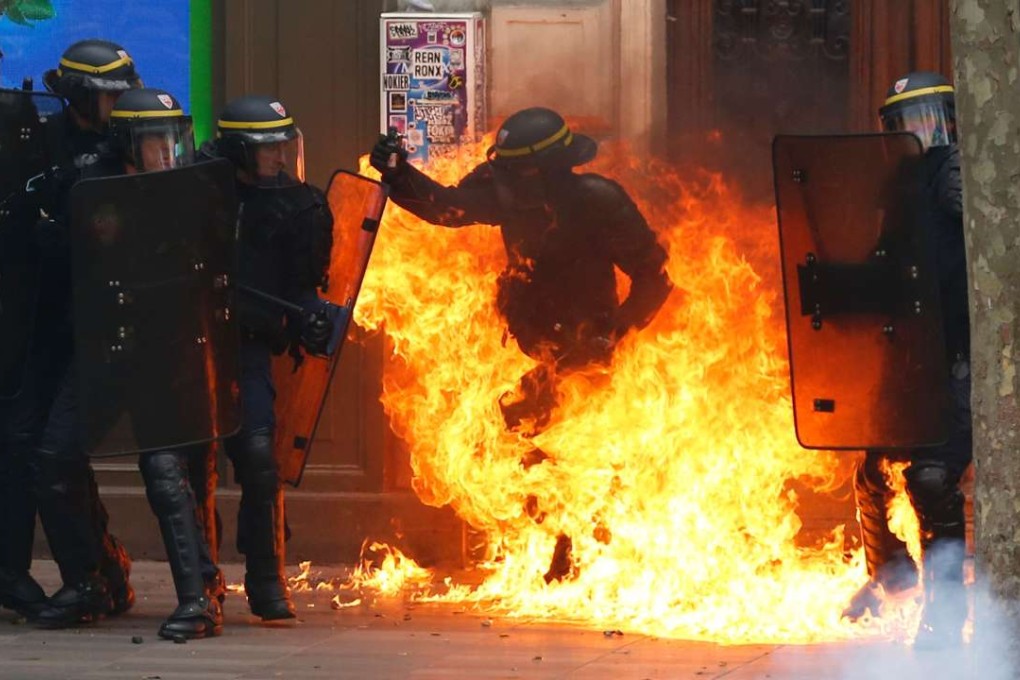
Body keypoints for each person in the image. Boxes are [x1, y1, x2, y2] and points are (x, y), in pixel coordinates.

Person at [370, 107, 673, 580]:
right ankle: (564, 543)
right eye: (503, 170)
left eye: (517, 171)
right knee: (521, 428)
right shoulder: (505, 192)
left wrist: (612, 336)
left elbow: (654, 279)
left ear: (546, 169)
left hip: (589, 343)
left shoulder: (598, 201)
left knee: (576, 447)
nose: (505, 180)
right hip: (540, 344)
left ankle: (579, 553)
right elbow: (447, 208)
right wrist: (397, 174)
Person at [80, 87, 225, 639]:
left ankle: (205, 592)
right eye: (153, 141)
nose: (165, 152)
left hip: (191, 351)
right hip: (138, 352)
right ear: (128, 144)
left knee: (196, 470)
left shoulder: (193, 194)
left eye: (170, 139)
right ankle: (195, 597)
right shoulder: (106, 199)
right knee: (163, 471)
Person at [5, 39, 139, 627]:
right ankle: (23, 572)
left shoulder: (131, 142)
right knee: (21, 445)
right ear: (82, 92)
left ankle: (97, 577)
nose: (116, 102)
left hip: (102, 323)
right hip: (40, 318)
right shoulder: (37, 141)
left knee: (59, 453)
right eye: (107, 92)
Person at [841, 72, 970, 648]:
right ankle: (892, 582)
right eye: (906, 125)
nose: (920, 136)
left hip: (965, 362)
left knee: (932, 476)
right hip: (913, 361)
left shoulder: (958, 175)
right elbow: (889, 268)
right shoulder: (899, 195)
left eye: (928, 120)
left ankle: (947, 614)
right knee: (872, 474)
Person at [198, 95, 336, 620]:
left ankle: (266, 577)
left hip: (250, 344)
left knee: (258, 457)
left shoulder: (299, 207)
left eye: (285, 146)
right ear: (237, 151)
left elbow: (302, 286)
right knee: (190, 464)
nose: (281, 158)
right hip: (190, 342)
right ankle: (201, 584)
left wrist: (312, 316)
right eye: (268, 149)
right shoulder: (197, 194)